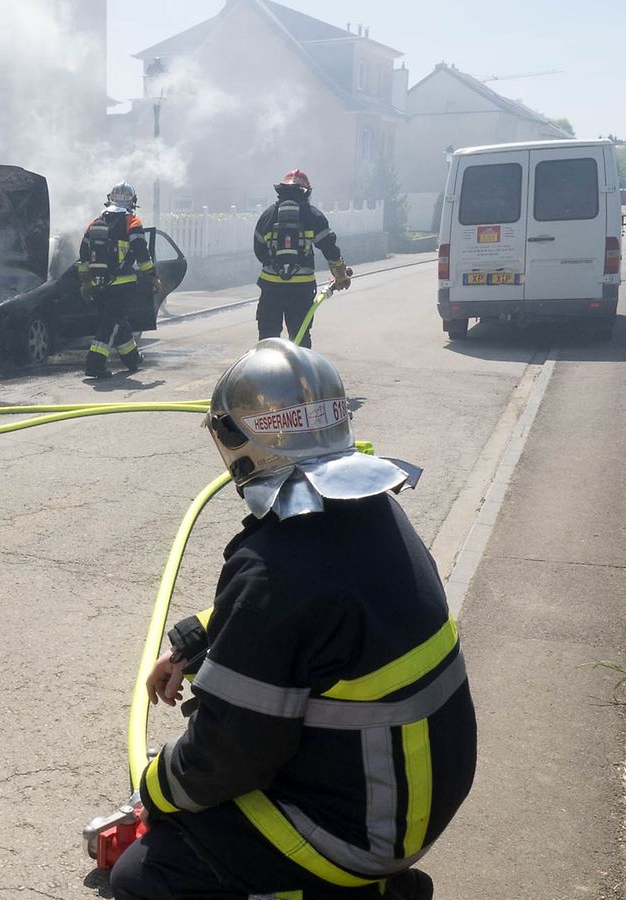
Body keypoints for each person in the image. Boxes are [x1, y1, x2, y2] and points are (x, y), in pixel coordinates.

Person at [109, 339, 478, 900]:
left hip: (363, 833)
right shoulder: (374, 511)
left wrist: (154, 792)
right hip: (413, 794)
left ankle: (363, 890)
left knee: (144, 876)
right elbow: (296, 621)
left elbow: (229, 754)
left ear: (236, 441)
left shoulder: (274, 567)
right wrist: (193, 641)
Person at [253, 170, 351, 348]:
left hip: (271, 288)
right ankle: (299, 366)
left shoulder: (268, 215)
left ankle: (265, 365)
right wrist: (340, 274)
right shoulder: (313, 215)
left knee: (267, 338)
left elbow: (259, 251)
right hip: (301, 289)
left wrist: (275, 264)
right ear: (306, 192)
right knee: (300, 337)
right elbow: (330, 249)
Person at [78, 182, 161, 378]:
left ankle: (132, 359)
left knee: (118, 322)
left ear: (110, 199)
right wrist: (152, 276)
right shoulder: (132, 222)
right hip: (122, 285)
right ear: (132, 201)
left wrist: (86, 283)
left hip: (99, 285)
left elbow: (83, 256)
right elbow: (142, 253)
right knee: (110, 325)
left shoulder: (95, 223)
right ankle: (94, 364)